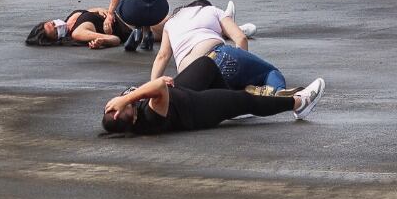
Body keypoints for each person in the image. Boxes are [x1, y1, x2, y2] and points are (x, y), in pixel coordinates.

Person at [102, 57, 326, 134]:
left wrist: (122, 102)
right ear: (132, 118)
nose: (126, 99)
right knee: (243, 100)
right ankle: (298, 103)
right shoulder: (149, 120)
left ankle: (231, 107)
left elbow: (158, 88)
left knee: (206, 64)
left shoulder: (127, 117)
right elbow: (159, 86)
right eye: (128, 106)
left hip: (179, 93)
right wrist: (126, 99)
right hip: (195, 109)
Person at [152, 0, 280, 92]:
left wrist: (153, 87)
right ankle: (278, 92)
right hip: (219, 56)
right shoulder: (212, 10)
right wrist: (243, 66)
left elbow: (162, 57)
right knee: (270, 72)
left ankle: (234, 96)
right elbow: (241, 38)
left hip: (190, 77)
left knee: (218, 94)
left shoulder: (170, 23)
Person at [26, 8, 134, 49]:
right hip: (128, 25)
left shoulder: (69, 18)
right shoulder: (77, 33)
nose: (57, 25)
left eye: (52, 23)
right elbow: (116, 39)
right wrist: (103, 40)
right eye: (55, 31)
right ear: (56, 39)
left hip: (120, 11)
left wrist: (102, 10)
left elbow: (94, 10)